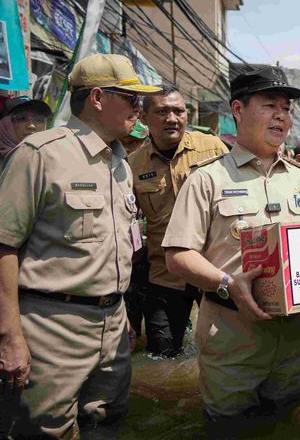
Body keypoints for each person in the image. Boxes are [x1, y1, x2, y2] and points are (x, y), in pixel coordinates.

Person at [0, 54, 161, 437]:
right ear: (99, 98)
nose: (140, 107)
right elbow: (3, 245)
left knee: (106, 421)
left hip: (112, 325)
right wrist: (9, 337)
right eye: (131, 97)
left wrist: (120, 317)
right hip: (51, 327)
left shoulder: (121, 162)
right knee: (44, 429)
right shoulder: (40, 155)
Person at [162, 66, 300, 428]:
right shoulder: (207, 178)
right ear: (238, 109)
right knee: (228, 426)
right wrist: (227, 284)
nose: (282, 115)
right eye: (271, 105)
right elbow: (177, 255)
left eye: (287, 108)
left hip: (294, 337)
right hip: (232, 337)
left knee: (288, 422)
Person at [129, 85, 228, 358]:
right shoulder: (133, 165)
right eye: (161, 112)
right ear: (143, 117)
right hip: (164, 275)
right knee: (161, 355)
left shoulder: (214, 148)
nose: (172, 118)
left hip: (213, 268)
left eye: (178, 111)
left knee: (224, 350)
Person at [120, 119, 151, 345]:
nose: (132, 149)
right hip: (123, 259)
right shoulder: (114, 168)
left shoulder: (149, 167)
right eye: (128, 143)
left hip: (146, 255)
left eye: (138, 143)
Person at [0, 96, 52, 168]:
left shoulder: (50, 157)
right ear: (5, 125)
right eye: (21, 118)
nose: (31, 126)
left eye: (39, 119)